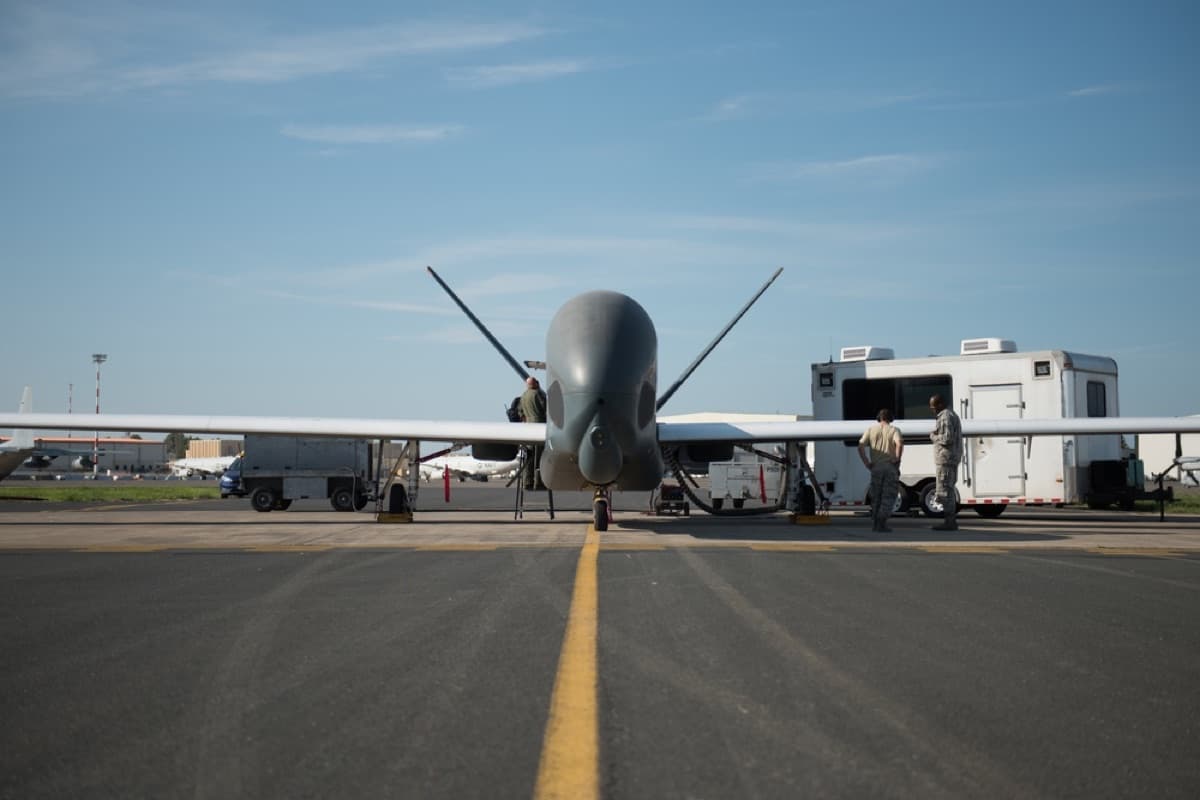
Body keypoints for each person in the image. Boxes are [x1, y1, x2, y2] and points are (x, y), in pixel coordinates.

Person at [857, 409, 903, 532]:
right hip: (889, 466)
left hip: (876, 467)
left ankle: (875, 523)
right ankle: (882, 523)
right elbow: (899, 444)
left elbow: (860, 446)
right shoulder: (894, 430)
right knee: (888, 496)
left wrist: (867, 462)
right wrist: (897, 459)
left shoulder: (871, 430)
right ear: (890, 418)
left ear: (879, 418)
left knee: (876, 496)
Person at [929, 394, 963, 531]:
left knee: (944, 490)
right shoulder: (951, 414)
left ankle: (949, 521)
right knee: (947, 489)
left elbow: (947, 438)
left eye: (933, 406)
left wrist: (933, 436)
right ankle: (950, 521)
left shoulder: (945, 416)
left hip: (945, 458)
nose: (932, 409)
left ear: (940, 404)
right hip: (950, 458)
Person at [519, 377, 547, 489]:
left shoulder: (524, 396)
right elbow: (546, 408)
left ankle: (527, 482)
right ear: (535, 383)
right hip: (539, 426)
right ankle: (539, 482)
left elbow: (520, 412)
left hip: (528, 429)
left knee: (529, 457)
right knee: (539, 457)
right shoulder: (538, 394)